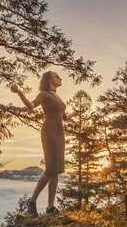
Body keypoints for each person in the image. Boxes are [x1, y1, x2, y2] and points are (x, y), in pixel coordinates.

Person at [11, 71, 77, 216]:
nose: (60, 78)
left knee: (57, 170)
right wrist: (20, 93)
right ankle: (32, 201)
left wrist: (74, 114)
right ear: (49, 80)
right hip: (50, 132)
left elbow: (64, 117)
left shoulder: (57, 96)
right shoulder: (45, 94)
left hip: (60, 133)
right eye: (57, 76)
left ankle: (50, 207)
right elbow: (31, 105)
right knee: (50, 169)